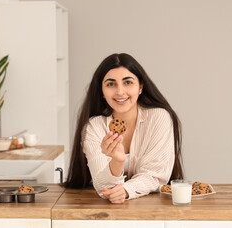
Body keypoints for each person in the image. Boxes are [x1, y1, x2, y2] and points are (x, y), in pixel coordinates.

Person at [64, 53, 183, 203]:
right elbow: (102, 187)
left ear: (140, 87)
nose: (120, 92)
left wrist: (127, 190)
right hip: (103, 210)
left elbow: (156, 175)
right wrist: (118, 161)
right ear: (102, 91)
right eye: (111, 84)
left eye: (128, 82)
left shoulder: (159, 118)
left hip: (153, 206)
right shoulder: (93, 127)